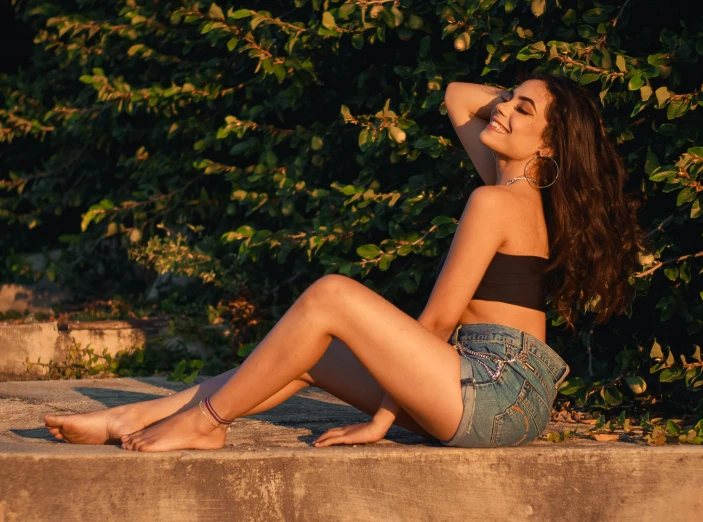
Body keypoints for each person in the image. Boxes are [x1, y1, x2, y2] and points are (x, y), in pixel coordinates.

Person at [43, 71, 644, 451]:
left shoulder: (496, 199)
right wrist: (530, 107)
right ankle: (136, 417)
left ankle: (205, 421)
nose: (503, 109)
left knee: (330, 294)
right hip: (500, 390)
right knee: (309, 355)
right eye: (509, 96)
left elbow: (435, 322)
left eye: (523, 111)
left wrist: (381, 421)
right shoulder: (513, 189)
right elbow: (458, 94)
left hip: (493, 387)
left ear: (550, 145)